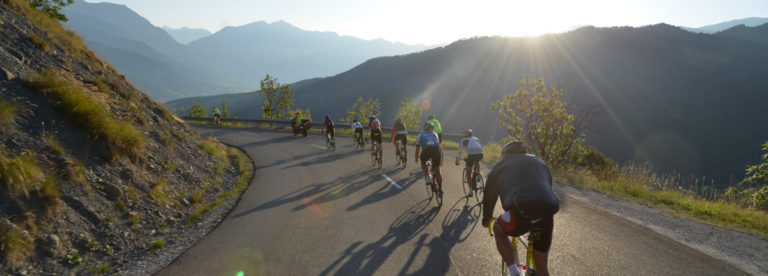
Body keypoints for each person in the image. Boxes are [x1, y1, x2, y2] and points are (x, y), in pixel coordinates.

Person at [481, 141, 559, 276]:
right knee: (542, 268)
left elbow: (489, 196)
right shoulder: (540, 162)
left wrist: (487, 219)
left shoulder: (500, 165)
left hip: (519, 212)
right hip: (547, 214)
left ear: (505, 154)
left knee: (498, 229)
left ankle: (514, 272)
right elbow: (547, 186)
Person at [415, 122, 442, 195]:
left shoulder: (420, 135)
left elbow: (418, 148)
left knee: (423, 162)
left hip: (426, 150)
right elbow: (437, 144)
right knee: (438, 171)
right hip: (436, 151)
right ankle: (440, 190)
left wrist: (416, 157)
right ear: (432, 129)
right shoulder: (435, 134)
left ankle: (427, 176)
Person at [455, 129, 483, 197]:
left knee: (468, 172)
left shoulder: (463, 141)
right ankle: (478, 175)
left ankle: (470, 191)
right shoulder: (476, 139)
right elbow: (480, 146)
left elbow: (459, 152)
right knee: (477, 161)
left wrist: (457, 161)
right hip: (480, 153)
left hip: (471, 155)